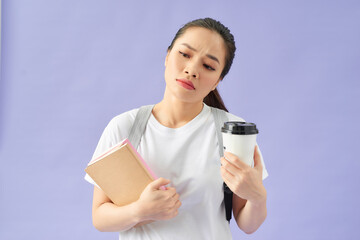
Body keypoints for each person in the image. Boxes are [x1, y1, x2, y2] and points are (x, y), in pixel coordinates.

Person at [84, 17, 269, 239]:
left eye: (208, 66)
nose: (192, 70)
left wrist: (258, 197)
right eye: (185, 54)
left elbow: (247, 224)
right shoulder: (125, 127)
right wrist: (140, 210)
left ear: (217, 81)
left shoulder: (232, 132)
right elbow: (100, 217)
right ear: (167, 55)